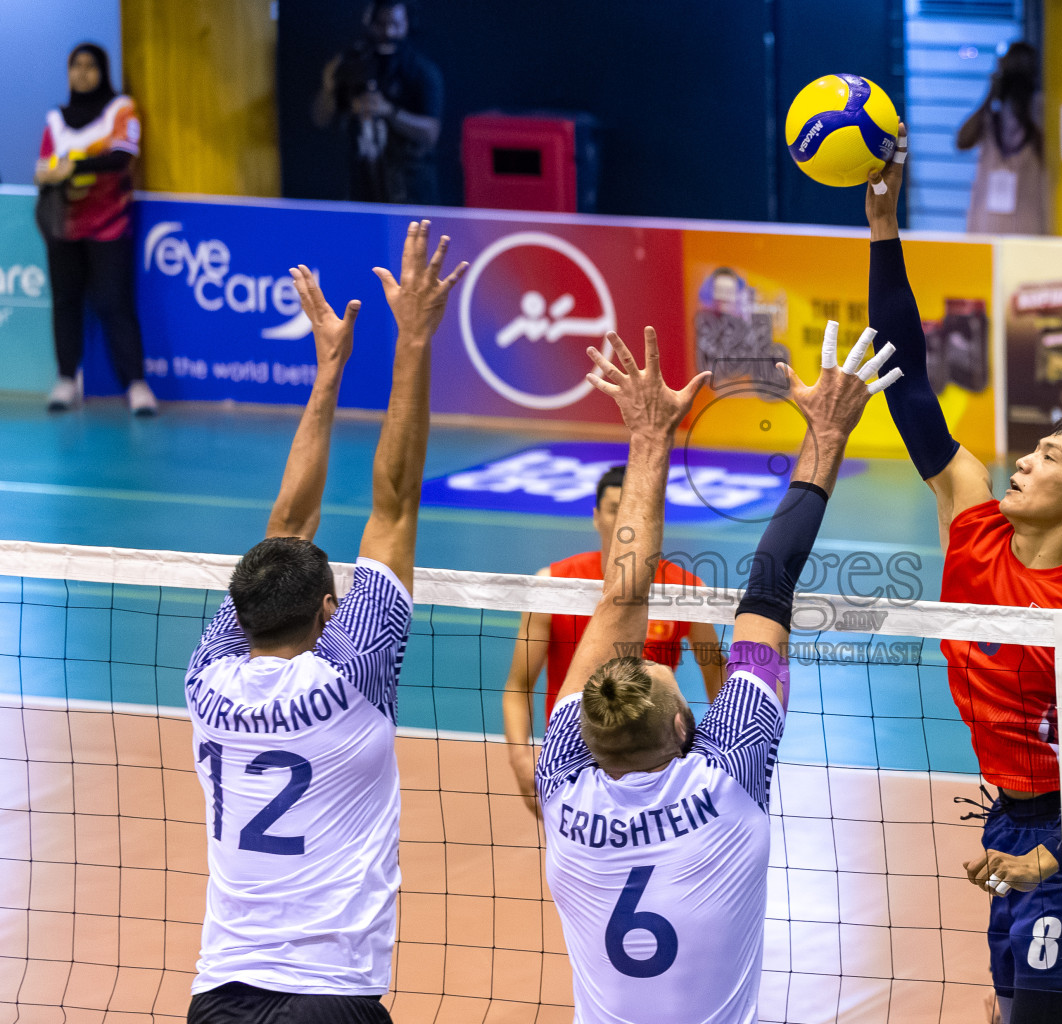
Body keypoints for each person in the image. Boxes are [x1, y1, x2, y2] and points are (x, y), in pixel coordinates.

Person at [866, 128, 1062, 1023]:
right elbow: (906, 378)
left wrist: (1053, 858)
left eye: (1051, 455)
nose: (1024, 458)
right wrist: (884, 228)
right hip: (1006, 819)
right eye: (1032, 448)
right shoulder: (973, 518)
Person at [535, 322, 899, 1023]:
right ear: (683, 725)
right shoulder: (725, 774)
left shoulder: (563, 786)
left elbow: (622, 598)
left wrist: (648, 439)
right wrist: (825, 432)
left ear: (585, 733)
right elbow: (765, 578)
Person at [181, 222, 466, 1022]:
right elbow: (396, 500)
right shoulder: (352, 674)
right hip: (329, 998)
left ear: (242, 612)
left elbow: (285, 529)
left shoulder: (208, 679)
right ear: (328, 613)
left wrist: (327, 368)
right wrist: (412, 340)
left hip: (218, 996)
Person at [502, 463, 726, 816]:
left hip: (659, 761)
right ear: (596, 517)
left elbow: (715, 674)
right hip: (576, 756)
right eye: (613, 509)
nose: (624, 521)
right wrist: (520, 759)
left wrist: (722, 749)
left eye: (633, 511)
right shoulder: (554, 583)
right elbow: (518, 686)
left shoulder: (686, 590)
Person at [34, 43, 156, 415]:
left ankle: (136, 385)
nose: (82, 73)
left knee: (113, 302)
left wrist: (74, 167)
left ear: (103, 71)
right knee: (66, 300)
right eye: (76, 66)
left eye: (90, 66)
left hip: (109, 225)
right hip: (62, 225)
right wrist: (45, 173)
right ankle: (67, 379)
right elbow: (44, 165)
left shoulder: (121, 109)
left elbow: (121, 157)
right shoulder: (56, 118)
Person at [312, 1, 444, 205]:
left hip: (409, 189)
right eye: (381, 24)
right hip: (362, 187)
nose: (388, 32)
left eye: (395, 24)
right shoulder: (355, 65)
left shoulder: (421, 71)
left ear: (408, 24)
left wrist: (388, 111)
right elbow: (321, 118)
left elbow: (430, 133)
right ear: (370, 24)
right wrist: (329, 86)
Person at [956, 41, 1047, 236]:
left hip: (1027, 223)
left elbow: (1049, 154)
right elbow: (962, 141)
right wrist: (990, 95)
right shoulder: (991, 114)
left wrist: (1025, 110)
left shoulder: (1040, 109)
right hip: (985, 224)